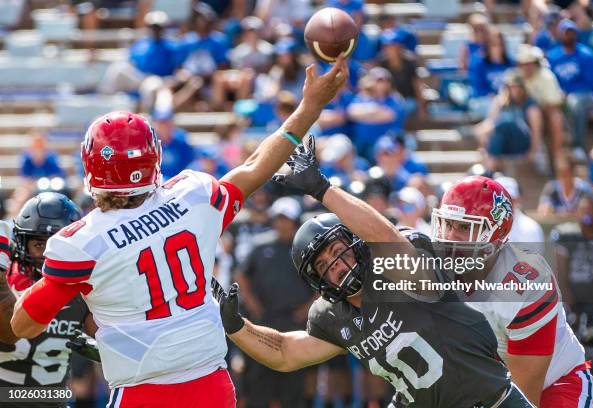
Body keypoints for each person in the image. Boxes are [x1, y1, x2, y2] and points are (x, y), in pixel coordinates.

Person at [10, 57, 348, 407]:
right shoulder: (192, 197)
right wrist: (310, 106)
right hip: (211, 386)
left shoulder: (82, 243)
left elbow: (23, 325)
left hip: (142, 393)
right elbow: (255, 165)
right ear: (153, 156)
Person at [218, 138, 535, 408]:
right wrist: (236, 327)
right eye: (323, 264)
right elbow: (287, 353)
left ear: (355, 243)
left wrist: (322, 188)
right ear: (316, 280)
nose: (337, 264)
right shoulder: (333, 315)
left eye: (337, 250)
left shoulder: (394, 270)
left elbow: (389, 241)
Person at [431, 176, 590, 407]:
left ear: (497, 231)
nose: (450, 237)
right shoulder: (433, 270)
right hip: (488, 382)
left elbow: (524, 398)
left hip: (554, 384)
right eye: (447, 224)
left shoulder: (524, 286)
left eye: (465, 227)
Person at [0, 193, 96, 407]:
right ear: (23, 244)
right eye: (39, 245)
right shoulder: (7, 281)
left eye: (56, 244)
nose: (48, 254)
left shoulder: (84, 289)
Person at [235, 196, 313, 408]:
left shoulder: (306, 248)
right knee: (259, 376)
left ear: (295, 221)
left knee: (293, 377)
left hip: (294, 322)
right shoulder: (260, 245)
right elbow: (241, 275)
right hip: (264, 320)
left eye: (286, 219)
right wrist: (253, 305)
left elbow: (321, 284)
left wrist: (306, 311)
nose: (281, 223)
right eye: (278, 219)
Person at [552, 195, 593, 403]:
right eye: (584, 210)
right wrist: (568, 301)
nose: (588, 214)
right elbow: (561, 272)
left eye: (592, 209)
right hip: (576, 306)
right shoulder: (568, 236)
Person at [547, 18, 593, 157]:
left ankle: (577, 145)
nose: (569, 35)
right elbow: (551, 80)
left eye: (572, 32)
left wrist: (568, 92)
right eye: (566, 32)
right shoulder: (553, 56)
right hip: (560, 96)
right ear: (560, 34)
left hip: (587, 96)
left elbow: (590, 83)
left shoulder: (586, 54)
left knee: (576, 102)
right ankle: (554, 154)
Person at [473, 70, 543, 173]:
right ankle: (491, 167)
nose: (515, 90)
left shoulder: (530, 105)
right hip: (504, 142)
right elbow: (489, 123)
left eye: (518, 87)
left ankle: (489, 167)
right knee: (496, 134)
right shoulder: (500, 101)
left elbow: (536, 131)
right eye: (512, 87)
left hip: (521, 142)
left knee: (506, 122)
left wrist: (533, 152)